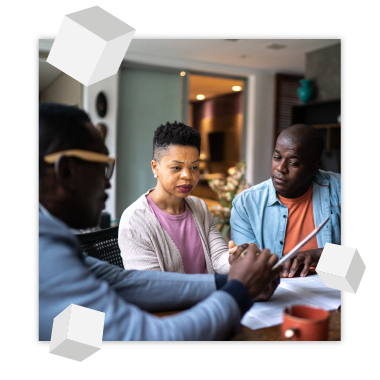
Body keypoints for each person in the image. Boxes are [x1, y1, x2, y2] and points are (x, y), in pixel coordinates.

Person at [38, 103, 282, 341]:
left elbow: (125, 282)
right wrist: (239, 290)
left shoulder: (49, 239)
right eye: (104, 168)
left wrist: (231, 279)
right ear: (67, 171)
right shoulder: (42, 255)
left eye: (194, 167)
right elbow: (154, 338)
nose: (108, 184)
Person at [119, 121, 246, 274]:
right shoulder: (135, 221)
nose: (187, 175)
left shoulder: (199, 207)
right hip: (188, 297)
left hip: (213, 294)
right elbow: (151, 288)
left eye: (194, 167)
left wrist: (234, 259)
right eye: (177, 168)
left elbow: (218, 258)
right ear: (155, 167)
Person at [230, 124, 341, 278]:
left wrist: (319, 255)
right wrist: (243, 262)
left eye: (293, 163)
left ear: (314, 168)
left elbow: (363, 264)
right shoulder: (246, 205)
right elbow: (249, 269)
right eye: (277, 158)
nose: (280, 168)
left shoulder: (339, 191)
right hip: (279, 294)